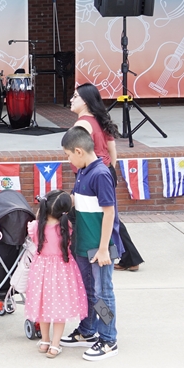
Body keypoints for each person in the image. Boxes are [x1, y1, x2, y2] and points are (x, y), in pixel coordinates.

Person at [59, 127, 122, 361]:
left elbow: (109, 212)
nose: (68, 160)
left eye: (68, 155)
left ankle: (108, 339)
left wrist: (104, 248)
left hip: (99, 247)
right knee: (87, 290)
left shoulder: (100, 174)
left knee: (102, 293)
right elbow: (77, 202)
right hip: (83, 245)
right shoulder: (83, 171)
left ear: (78, 151)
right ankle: (87, 330)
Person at [69, 83, 144, 271]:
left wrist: (91, 173)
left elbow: (80, 153)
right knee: (107, 214)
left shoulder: (82, 124)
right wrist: (109, 170)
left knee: (84, 214)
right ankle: (129, 257)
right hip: (105, 170)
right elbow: (112, 149)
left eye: (75, 96)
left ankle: (79, 258)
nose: (71, 100)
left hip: (90, 173)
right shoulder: (100, 120)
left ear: (85, 101)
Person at [25, 190, 89, 358]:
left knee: (43, 306)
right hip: (63, 271)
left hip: (41, 272)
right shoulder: (66, 227)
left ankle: (44, 342)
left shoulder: (35, 227)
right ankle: (54, 345)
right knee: (60, 308)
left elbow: (36, 222)